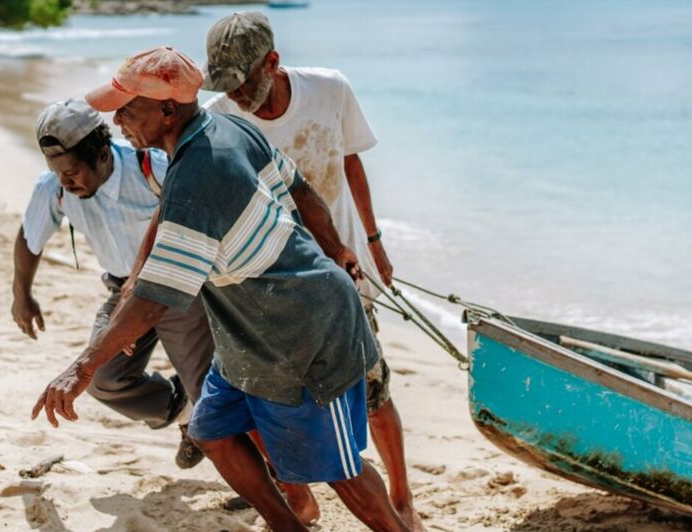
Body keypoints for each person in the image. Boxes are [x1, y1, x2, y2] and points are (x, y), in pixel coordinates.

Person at [30, 46, 409, 532]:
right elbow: (297, 190)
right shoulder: (219, 130)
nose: (118, 121)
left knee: (338, 468)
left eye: (129, 109)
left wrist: (82, 368)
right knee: (212, 430)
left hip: (304, 330)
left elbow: (156, 300)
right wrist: (336, 248)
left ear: (168, 110)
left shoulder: (200, 174)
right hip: (247, 328)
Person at [202, 12, 421, 530]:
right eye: (224, 87)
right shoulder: (217, 117)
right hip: (267, 284)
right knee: (262, 397)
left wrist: (372, 242)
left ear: (272, 63)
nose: (233, 96)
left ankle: (403, 496)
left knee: (373, 390)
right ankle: (299, 498)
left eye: (241, 84)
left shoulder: (329, 88)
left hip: (341, 269)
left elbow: (350, 163)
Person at [12, 99, 214, 469]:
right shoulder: (54, 189)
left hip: (179, 288)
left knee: (213, 395)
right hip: (121, 292)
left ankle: (272, 483)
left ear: (103, 154)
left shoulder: (152, 167)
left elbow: (206, 218)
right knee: (104, 379)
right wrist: (21, 295)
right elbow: (29, 238)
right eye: (58, 173)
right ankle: (183, 413)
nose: (65, 182)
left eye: (72, 172)